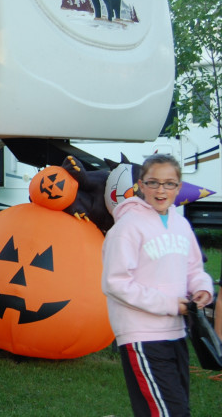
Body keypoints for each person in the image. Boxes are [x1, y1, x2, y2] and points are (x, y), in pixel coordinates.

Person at [102, 153, 214, 416]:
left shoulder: (180, 224)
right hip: (142, 334)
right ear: (141, 185)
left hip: (176, 331)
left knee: (175, 408)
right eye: (153, 183)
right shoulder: (127, 227)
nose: (161, 190)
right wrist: (168, 304)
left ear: (178, 187)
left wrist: (201, 289)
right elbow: (115, 283)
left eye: (169, 183)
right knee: (168, 412)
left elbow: (193, 268)